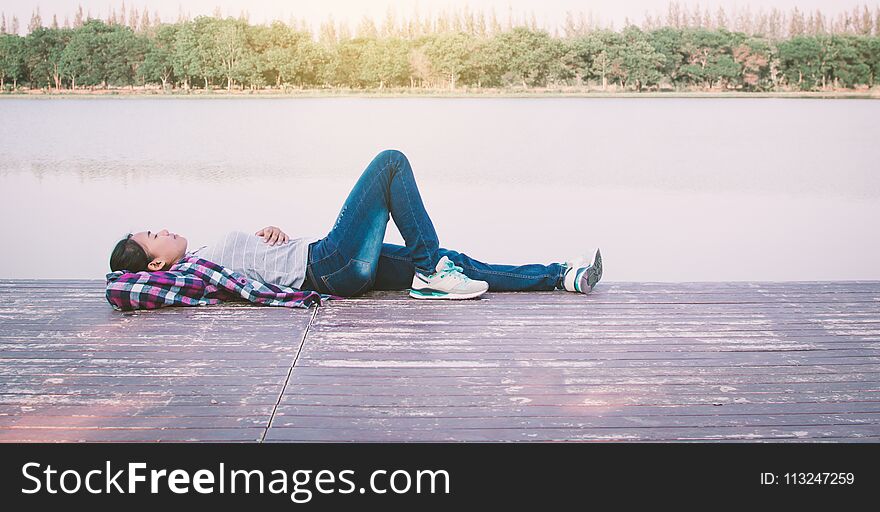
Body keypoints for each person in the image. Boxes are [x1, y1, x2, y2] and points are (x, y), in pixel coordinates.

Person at [109, 149, 602, 301]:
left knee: (456, 260)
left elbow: (252, 272)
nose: (164, 228)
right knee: (390, 163)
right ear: (154, 261)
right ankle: (432, 274)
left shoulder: (199, 262)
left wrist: (273, 235)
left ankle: (560, 274)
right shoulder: (186, 275)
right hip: (330, 262)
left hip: (329, 262)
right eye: (154, 235)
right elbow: (129, 292)